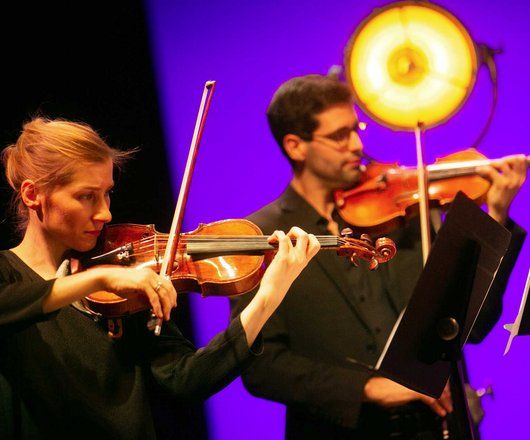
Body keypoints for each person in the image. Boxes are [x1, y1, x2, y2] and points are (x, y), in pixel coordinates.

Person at [230, 74, 527, 439]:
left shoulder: (401, 216)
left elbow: (472, 326)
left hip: (438, 428)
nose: (357, 145)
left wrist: (495, 216)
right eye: (340, 136)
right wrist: (369, 388)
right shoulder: (261, 237)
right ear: (296, 146)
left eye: (357, 129)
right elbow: (264, 368)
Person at [0, 117, 321, 438]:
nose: (105, 213)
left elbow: (185, 380)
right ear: (33, 195)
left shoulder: (124, 282)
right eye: (86, 196)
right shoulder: (10, 274)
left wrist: (267, 297)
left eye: (107, 194)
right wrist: (96, 281)